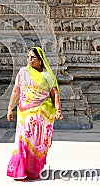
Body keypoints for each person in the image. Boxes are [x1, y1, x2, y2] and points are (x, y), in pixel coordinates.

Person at [6, 46, 63, 180]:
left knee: (35, 140)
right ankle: (20, 170)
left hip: (41, 113)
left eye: (33, 57)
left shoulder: (47, 75)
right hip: (24, 111)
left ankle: (32, 169)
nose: (30, 60)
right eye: (28, 57)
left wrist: (58, 110)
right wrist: (10, 108)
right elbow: (16, 90)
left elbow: (54, 93)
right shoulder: (23, 72)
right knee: (23, 138)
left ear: (41, 60)